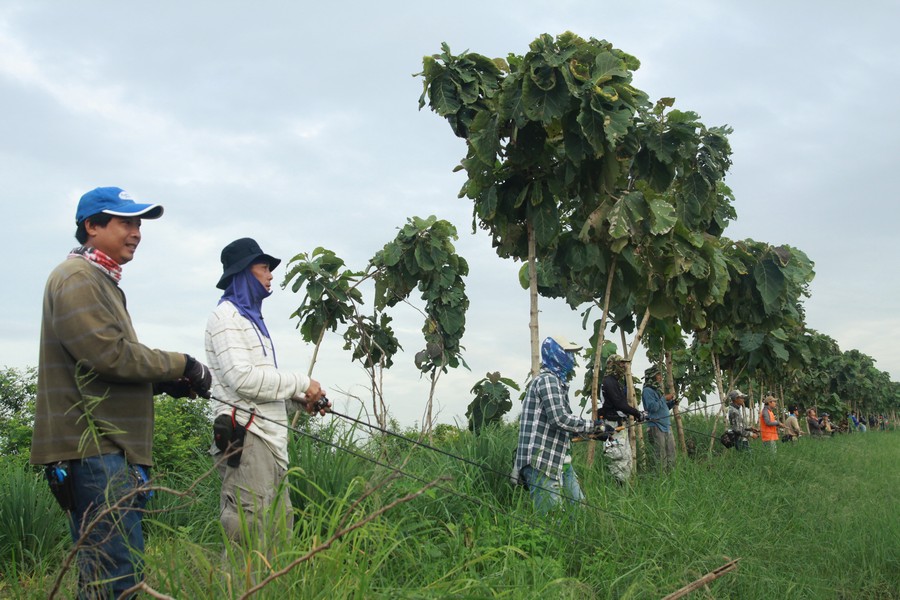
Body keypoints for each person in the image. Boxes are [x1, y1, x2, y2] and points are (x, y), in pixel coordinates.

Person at [30, 187, 212, 598]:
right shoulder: (77, 277)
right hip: (95, 448)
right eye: (125, 222)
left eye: (139, 223)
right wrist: (181, 364)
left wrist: (160, 382)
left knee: (108, 574)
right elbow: (109, 355)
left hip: (107, 450)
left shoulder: (98, 279)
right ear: (91, 227)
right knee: (114, 577)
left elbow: (101, 362)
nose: (137, 232)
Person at [206, 238, 328, 547]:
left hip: (271, 443)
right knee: (249, 536)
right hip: (248, 439)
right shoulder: (225, 319)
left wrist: (299, 401)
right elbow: (242, 379)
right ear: (244, 273)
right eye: (264, 267)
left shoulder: (252, 321)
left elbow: (261, 386)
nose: (270, 274)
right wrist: (302, 382)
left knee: (277, 535)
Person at [512, 335, 599, 513]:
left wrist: (596, 433)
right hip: (542, 461)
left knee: (581, 512)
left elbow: (564, 426)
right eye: (568, 353)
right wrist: (596, 425)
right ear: (555, 353)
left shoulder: (557, 382)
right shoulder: (547, 380)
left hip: (559, 460)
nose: (572, 359)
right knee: (553, 520)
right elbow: (560, 419)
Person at [598, 354, 642, 484]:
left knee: (625, 456)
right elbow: (619, 404)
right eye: (621, 364)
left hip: (619, 424)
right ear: (613, 364)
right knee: (617, 456)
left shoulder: (615, 382)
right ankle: (617, 487)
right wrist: (637, 413)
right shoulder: (608, 381)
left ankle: (626, 487)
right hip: (612, 426)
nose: (623, 367)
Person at [641, 364, 677, 470]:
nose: (660, 377)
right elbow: (653, 407)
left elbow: (662, 406)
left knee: (671, 453)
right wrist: (664, 398)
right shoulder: (647, 391)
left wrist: (672, 403)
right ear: (652, 376)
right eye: (658, 375)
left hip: (666, 425)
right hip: (656, 426)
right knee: (661, 456)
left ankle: (671, 476)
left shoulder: (657, 390)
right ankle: (661, 478)